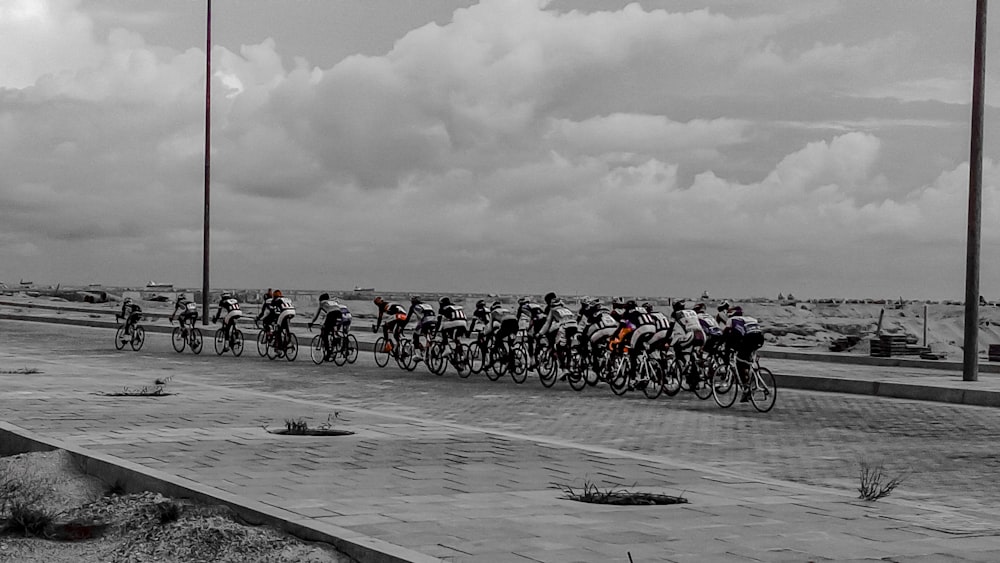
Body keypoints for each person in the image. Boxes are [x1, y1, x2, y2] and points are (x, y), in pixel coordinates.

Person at [724, 305, 765, 401]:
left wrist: (726, 353)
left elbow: (725, 336)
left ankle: (746, 389)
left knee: (739, 361)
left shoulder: (731, 320)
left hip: (748, 339)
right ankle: (754, 377)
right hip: (759, 338)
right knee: (748, 358)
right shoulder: (750, 318)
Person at [666, 300, 706, 389]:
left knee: (677, 348)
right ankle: (694, 378)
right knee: (691, 353)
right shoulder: (692, 312)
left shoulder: (675, 313)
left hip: (691, 334)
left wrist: (667, 340)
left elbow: (671, 328)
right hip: (702, 335)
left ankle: (686, 367)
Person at [538, 292, 576, 375]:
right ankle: (570, 366)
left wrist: (540, 333)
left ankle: (564, 369)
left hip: (564, 327)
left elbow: (547, 323)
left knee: (558, 346)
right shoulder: (566, 309)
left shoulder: (552, 310)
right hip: (573, 326)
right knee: (567, 346)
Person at [404, 295, 437, 360]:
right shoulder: (427, 305)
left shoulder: (413, 306)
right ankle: (431, 350)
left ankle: (418, 354)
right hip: (434, 321)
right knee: (428, 335)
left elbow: (408, 319)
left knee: (415, 336)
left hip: (425, 321)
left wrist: (402, 327)